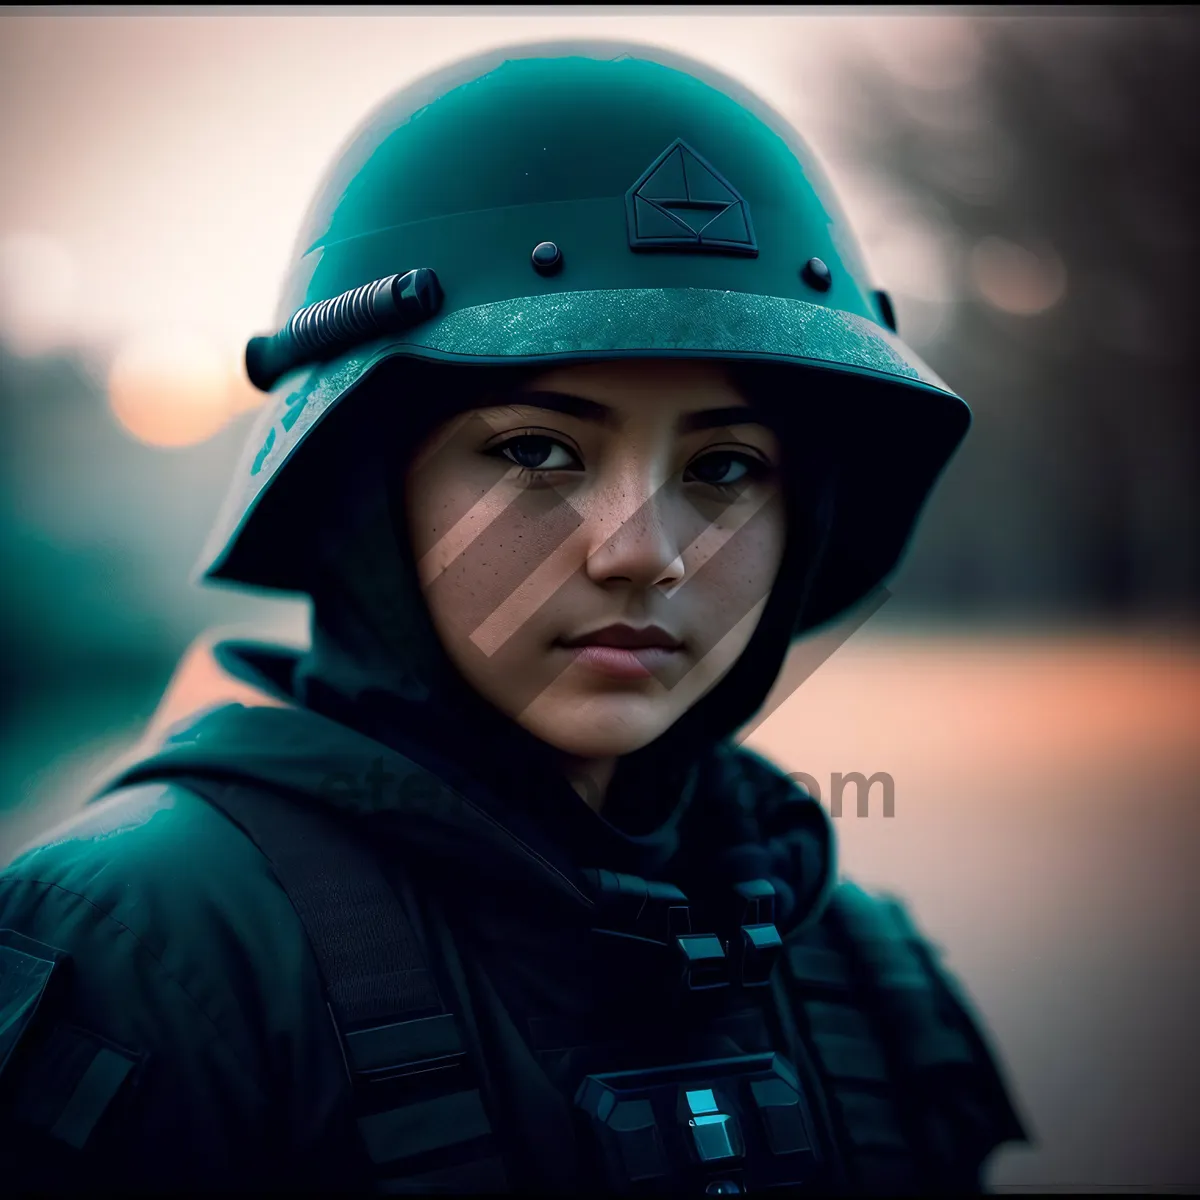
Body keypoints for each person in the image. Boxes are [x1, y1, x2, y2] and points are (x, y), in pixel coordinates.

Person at [0, 40, 1030, 1195]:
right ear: (364, 493)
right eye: (536, 451)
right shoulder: (139, 952)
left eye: (728, 467)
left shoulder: (855, 959)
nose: (644, 552)